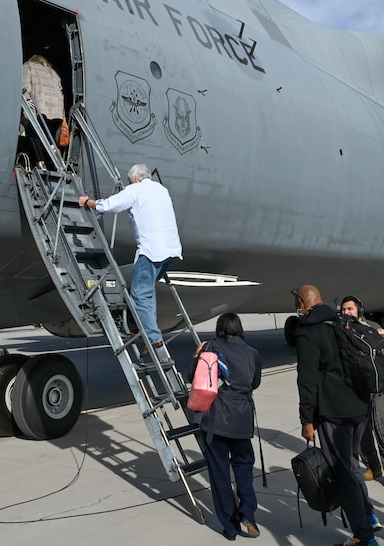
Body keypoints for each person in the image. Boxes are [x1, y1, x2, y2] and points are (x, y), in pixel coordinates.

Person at [294, 285, 379, 546]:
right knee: (352, 465)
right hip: (360, 408)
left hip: (335, 414)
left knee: (345, 474)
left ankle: (364, 537)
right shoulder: (344, 324)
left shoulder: (309, 333)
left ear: (302, 304)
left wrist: (307, 419)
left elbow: (307, 381)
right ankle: (369, 515)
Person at [78, 164, 182, 353]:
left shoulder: (136, 189)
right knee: (147, 291)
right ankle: (152, 333)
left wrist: (87, 202)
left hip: (151, 251)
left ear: (135, 179)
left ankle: (153, 337)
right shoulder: (161, 189)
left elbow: (109, 206)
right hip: (171, 251)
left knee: (140, 293)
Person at [191, 313, 263, 541]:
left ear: (219, 328)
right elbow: (255, 383)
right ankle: (248, 514)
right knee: (244, 467)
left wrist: (197, 356)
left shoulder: (210, 348)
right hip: (242, 420)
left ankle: (230, 528)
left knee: (220, 473)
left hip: (216, 421)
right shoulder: (253, 353)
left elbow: (194, 378)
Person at [341, 297, 384, 488]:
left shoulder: (373, 327)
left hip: (376, 386)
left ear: (359, 310)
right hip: (355, 387)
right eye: (343, 310)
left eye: (350, 309)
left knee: (383, 426)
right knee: (362, 430)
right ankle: (371, 466)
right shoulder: (341, 330)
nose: (346, 313)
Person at [21, 54, 66, 164]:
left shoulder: (29, 66)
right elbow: (60, 91)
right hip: (56, 110)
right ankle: (54, 153)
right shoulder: (53, 73)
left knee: (32, 131)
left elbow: (25, 85)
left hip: (41, 107)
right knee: (49, 136)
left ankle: (40, 162)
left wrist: (26, 99)